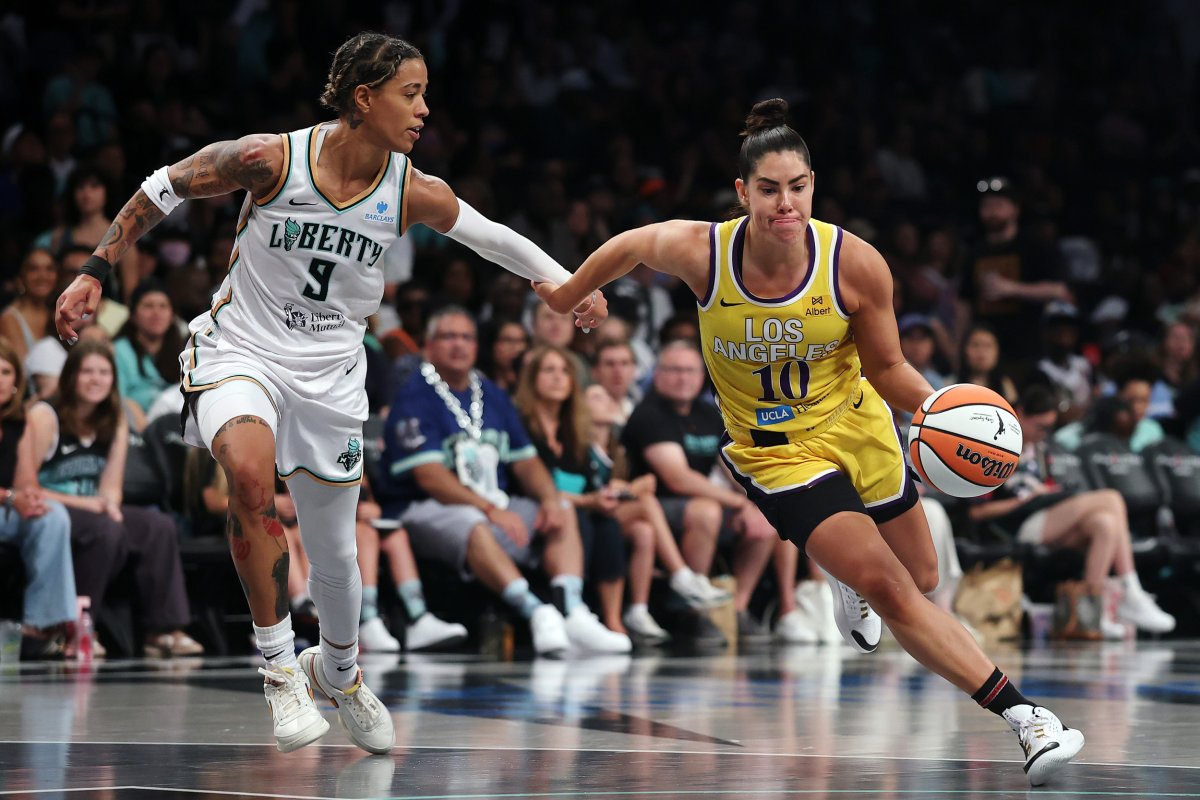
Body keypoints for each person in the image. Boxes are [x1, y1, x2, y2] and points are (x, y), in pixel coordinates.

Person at [55, 33, 607, 755]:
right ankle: (281, 669)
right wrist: (97, 267)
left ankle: (339, 673)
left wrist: (566, 285)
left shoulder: (411, 188)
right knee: (250, 482)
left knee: (337, 556)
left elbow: (492, 238)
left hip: (331, 375)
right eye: (410, 94)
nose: (424, 110)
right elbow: (167, 183)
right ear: (363, 98)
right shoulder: (270, 160)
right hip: (242, 350)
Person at [535, 99, 1086, 786]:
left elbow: (887, 368)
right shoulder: (703, 252)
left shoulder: (854, 263)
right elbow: (629, 245)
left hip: (858, 424)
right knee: (889, 586)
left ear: (813, 186)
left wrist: (946, 410)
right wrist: (568, 295)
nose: (784, 203)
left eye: (797, 187)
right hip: (777, 453)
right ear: (743, 193)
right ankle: (1027, 717)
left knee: (919, 578)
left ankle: (842, 580)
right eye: (768, 189)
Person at [380, 307, 631, 656]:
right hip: (423, 507)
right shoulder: (414, 396)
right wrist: (488, 508)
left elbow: (526, 462)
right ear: (429, 346)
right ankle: (537, 612)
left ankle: (572, 611)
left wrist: (546, 497)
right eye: (448, 337)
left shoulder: (492, 394)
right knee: (472, 522)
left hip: (492, 503)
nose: (459, 345)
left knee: (560, 507)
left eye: (466, 337)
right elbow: (431, 477)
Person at [26, 340, 201, 658]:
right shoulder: (45, 415)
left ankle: (163, 630)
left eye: (104, 372)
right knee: (105, 530)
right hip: (47, 509)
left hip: (92, 510)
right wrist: (92, 506)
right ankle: (76, 630)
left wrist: (106, 505)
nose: (96, 379)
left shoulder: (115, 417)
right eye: (87, 371)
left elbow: (111, 491)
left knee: (157, 526)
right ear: (71, 376)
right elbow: (26, 486)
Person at [974, 386, 1175, 638]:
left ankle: (1091, 615)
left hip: (1048, 516)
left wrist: (1049, 492)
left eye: (1049, 429)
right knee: (1111, 498)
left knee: (1104, 523)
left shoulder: (1041, 450)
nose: (1044, 434)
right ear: (1020, 413)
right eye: (1040, 427)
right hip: (1016, 524)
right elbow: (977, 512)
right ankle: (1130, 590)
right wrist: (1024, 501)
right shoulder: (991, 447)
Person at [620, 341, 778, 644]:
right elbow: (678, 478)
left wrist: (754, 500)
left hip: (698, 504)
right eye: (674, 370)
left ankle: (738, 608)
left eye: (690, 371)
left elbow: (733, 465)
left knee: (768, 514)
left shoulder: (709, 412)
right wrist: (737, 502)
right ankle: (693, 610)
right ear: (657, 374)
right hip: (653, 504)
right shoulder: (649, 414)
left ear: (702, 376)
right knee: (705, 509)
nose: (683, 378)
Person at [0, 340, 76, 658]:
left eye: (5, 372)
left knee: (52, 515)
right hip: (5, 504)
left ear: (16, 381)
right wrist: (11, 497)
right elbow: (13, 493)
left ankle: (42, 625)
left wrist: (29, 497)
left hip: (7, 509)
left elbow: (26, 480)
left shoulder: (20, 424)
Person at [0, 248, 58, 367]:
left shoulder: (56, 314)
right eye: (33, 269)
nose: (43, 276)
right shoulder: (9, 319)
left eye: (49, 269)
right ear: (20, 277)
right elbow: (21, 370)